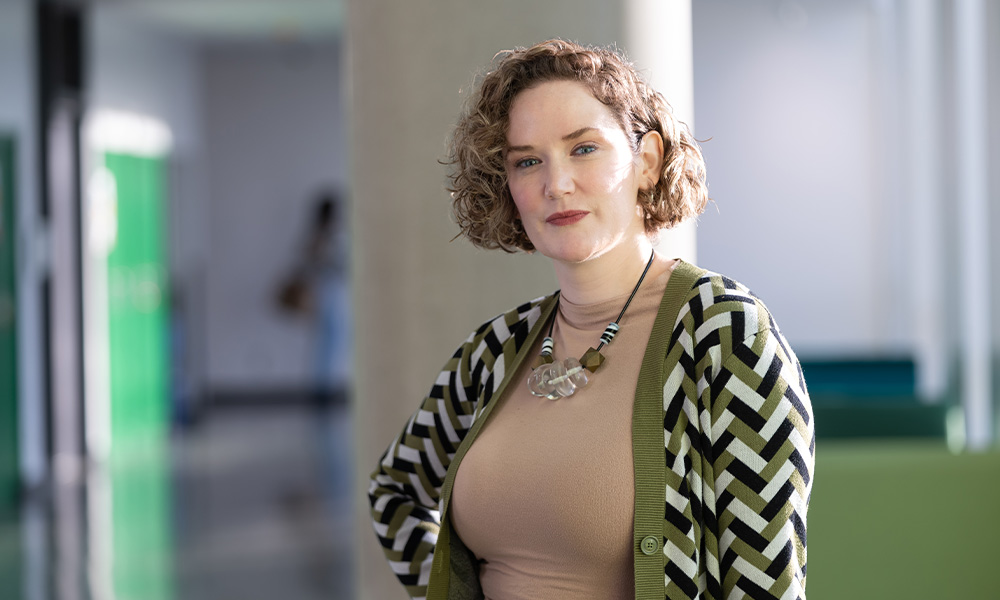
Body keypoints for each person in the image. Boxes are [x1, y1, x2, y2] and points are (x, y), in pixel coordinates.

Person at [368, 39, 814, 600]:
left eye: (584, 149)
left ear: (646, 161)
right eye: (527, 161)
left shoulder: (724, 333)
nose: (556, 184)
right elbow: (395, 490)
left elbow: (766, 588)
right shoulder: (498, 347)